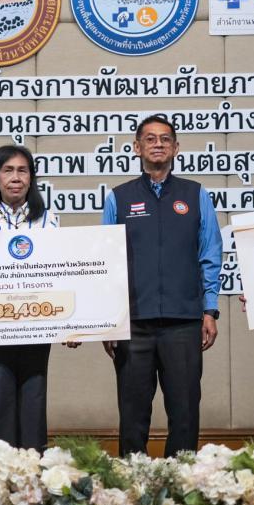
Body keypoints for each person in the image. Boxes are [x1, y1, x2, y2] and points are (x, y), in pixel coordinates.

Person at [102, 114, 222, 456]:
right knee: (133, 414)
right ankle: (130, 481)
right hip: (133, 323)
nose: (158, 144)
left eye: (165, 139)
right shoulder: (118, 198)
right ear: (137, 147)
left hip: (183, 321)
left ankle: (181, 481)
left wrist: (209, 310)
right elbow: (107, 262)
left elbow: (210, 253)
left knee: (185, 412)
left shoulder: (195, 194)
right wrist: (110, 319)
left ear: (176, 147)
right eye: (150, 139)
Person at [0, 144, 69, 450]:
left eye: (22, 171)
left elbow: (61, 273)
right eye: (8, 170)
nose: (16, 177)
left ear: (31, 178)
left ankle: (33, 467)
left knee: (34, 395)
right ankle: (0, 466)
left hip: (38, 322)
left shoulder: (48, 220)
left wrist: (72, 326)